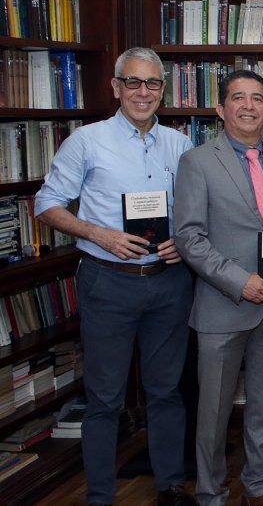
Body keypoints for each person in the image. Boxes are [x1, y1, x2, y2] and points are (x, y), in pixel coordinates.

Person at [33, 47, 197, 506]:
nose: (143, 93)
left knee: (167, 391)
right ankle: (100, 495)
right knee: (105, 398)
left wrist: (182, 242)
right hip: (109, 282)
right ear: (115, 87)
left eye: (152, 84)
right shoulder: (86, 141)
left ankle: (170, 485)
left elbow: (191, 210)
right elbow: (45, 205)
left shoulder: (179, 144)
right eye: (133, 82)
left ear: (163, 90)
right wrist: (98, 234)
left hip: (168, 281)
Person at [174, 70, 263, 506]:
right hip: (222, 306)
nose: (248, 105)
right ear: (220, 108)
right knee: (212, 413)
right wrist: (240, 281)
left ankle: (259, 487)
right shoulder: (197, 162)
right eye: (238, 97)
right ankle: (211, 492)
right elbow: (189, 238)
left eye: (257, 98)